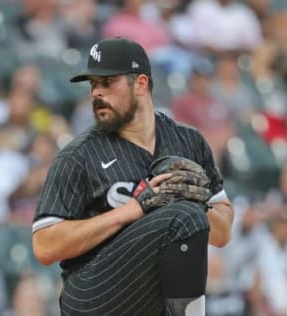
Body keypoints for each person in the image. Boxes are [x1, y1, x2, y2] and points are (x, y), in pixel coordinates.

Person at [32, 37, 234, 316]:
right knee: (183, 215)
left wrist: (189, 203)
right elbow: (44, 246)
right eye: (93, 84)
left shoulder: (189, 142)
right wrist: (132, 210)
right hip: (92, 295)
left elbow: (222, 233)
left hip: (150, 298)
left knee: (188, 214)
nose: (96, 93)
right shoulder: (79, 156)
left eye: (107, 82)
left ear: (140, 84)